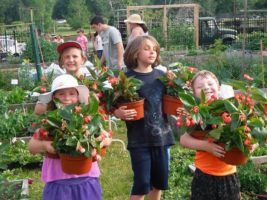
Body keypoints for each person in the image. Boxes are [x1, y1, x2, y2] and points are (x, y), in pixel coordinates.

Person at [114, 35, 175, 200]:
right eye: (147, 48)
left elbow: (175, 99)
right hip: (139, 140)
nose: (152, 52)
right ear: (135, 53)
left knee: (158, 184)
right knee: (141, 184)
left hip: (162, 138)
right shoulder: (127, 79)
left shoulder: (162, 76)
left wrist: (175, 84)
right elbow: (112, 104)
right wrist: (117, 112)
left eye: (154, 49)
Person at [28, 74, 102, 200]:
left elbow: (106, 137)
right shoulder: (49, 121)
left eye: (72, 93)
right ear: (53, 98)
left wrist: (99, 143)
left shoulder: (87, 119)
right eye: (61, 94)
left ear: (78, 97)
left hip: (87, 179)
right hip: (58, 183)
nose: (67, 98)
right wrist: (45, 145)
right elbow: (31, 147)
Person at [179, 70, 241, 200]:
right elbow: (183, 139)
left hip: (229, 173)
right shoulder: (195, 113)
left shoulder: (230, 109)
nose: (206, 88)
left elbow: (248, 133)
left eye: (210, 84)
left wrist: (251, 146)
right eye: (200, 87)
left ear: (218, 87)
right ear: (194, 93)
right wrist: (207, 146)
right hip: (204, 174)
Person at [34, 41, 87, 115]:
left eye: (75, 56)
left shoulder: (92, 84)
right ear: (61, 61)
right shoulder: (57, 83)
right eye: (67, 57)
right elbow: (40, 108)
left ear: (83, 60)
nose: (71, 60)